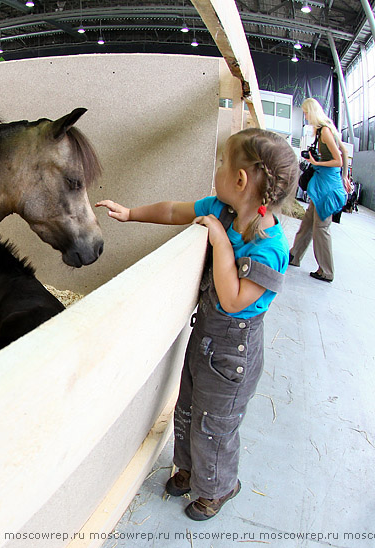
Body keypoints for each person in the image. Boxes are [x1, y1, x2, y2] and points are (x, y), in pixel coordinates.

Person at [96, 128, 299, 521]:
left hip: (233, 355)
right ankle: (189, 471)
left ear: (240, 179)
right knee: (187, 408)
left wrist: (221, 243)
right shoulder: (221, 209)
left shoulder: (270, 247)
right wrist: (131, 213)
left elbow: (233, 298)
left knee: (215, 425)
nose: (217, 169)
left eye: (222, 162)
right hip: (205, 339)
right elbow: (175, 210)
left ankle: (219, 488)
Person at [288, 98, 349, 282]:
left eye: (306, 112)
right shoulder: (324, 129)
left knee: (321, 227)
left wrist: (316, 162)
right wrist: (344, 176)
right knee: (308, 221)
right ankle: (295, 255)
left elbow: (338, 159)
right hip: (323, 183)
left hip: (326, 187)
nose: (305, 116)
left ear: (312, 112)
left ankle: (327, 271)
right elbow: (344, 152)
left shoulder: (324, 131)